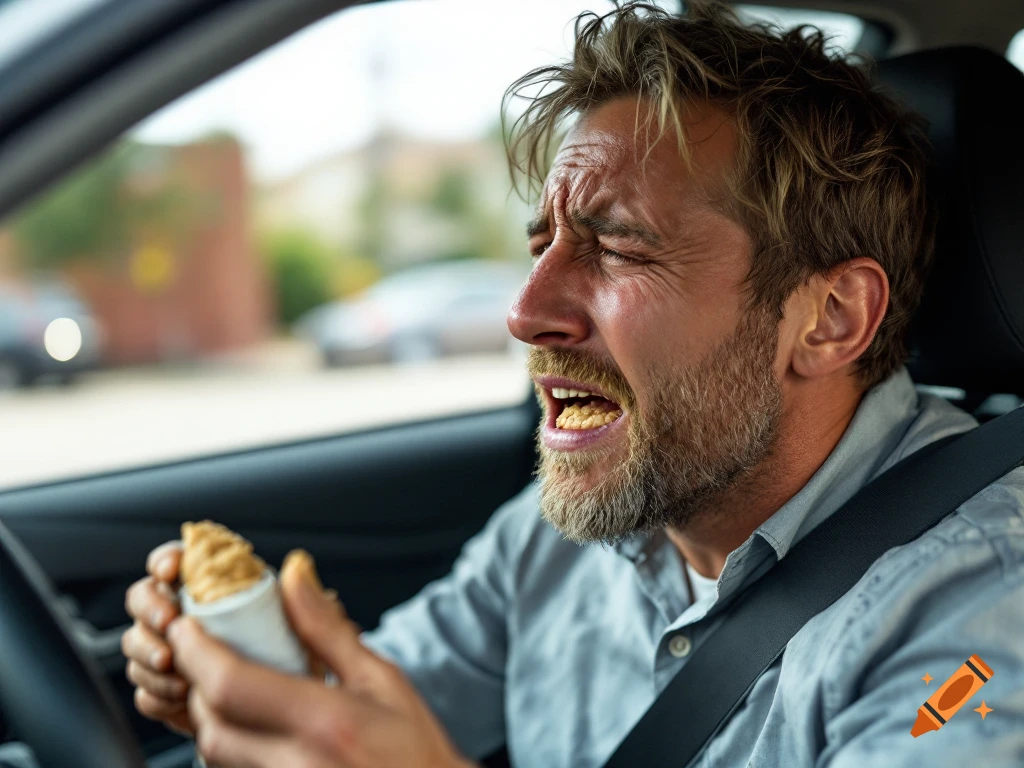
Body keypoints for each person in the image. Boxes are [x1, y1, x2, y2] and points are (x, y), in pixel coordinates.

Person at [121, 3, 1024, 767]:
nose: (524, 310)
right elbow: (366, 715)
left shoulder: (978, 610)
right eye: (540, 244)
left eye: (620, 244)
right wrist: (233, 672)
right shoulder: (564, 538)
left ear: (828, 318)